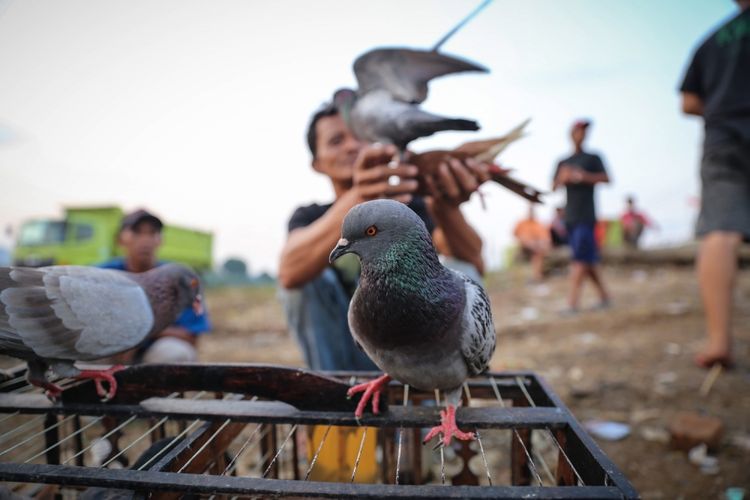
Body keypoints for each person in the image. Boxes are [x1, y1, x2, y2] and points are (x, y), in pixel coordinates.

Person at [278, 99, 490, 371]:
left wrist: (444, 208)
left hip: (421, 354)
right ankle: (333, 388)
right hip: (349, 351)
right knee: (302, 283)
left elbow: (473, 263)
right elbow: (289, 272)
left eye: (359, 135)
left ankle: (435, 385)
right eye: (336, 141)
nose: (352, 145)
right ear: (317, 164)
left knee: (462, 271)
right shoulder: (309, 216)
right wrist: (359, 195)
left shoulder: (407, 210)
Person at [680, 0, 750, 369]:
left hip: (724, 137)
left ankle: (719, 341)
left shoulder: (711, 42)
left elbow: (689, 101)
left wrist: (724, 105)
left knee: (720, 232)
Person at [98, 209, 211, 364]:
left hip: (155, 351)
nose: (145, 240)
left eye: (152, 233)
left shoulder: (180, 280)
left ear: (160, 240)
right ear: (121, 238)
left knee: (177, 354)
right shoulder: (102, 276)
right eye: (137, 232)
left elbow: (192, 336)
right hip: (111, 349)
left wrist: (142, 330)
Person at [552, 119, 611, 313]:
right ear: (572, 133)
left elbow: (606, 178)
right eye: (579, 130)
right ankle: (605, 297)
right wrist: (564, 177)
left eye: (585, 131)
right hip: (571, 217)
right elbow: (553, 186)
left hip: (587, 215)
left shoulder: (593, 158)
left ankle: (572, 303)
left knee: (579, 258)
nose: (582, 134)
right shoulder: (563, 162)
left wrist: (581, 176)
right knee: (587, 259)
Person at [513, 204, 551, 282]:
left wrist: (540, 244)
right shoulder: (521, 223)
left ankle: (537, 276)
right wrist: (529, 242)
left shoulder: (539, 224)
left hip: (537, 247)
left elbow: (545, 238)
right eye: (530, 210)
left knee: (538, 252)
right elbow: (516, 235)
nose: (531, 212)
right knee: (533, 246)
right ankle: (537, 275)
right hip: (525, 246)